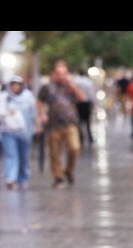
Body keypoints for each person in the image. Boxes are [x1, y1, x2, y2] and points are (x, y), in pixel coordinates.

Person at [38, 60, 87, 189]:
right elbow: (39, 100)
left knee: (74, 148)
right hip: (54, 124)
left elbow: (83, 99)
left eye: (64, 73)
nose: (61, 76)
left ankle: (69, 170)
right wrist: (42, 114)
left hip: (70, 123)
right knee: (54, 153)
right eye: (59, 73)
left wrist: (73, 86)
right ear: (54, 74)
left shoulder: (71, 87)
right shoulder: (47, 87)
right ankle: (58, 177)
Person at [0, 76, 37, 189]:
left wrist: (36, 127)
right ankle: (10, 177)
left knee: (23, 156)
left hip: (24, 132)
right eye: (13, 85)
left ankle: (22, 177)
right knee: (10, 155)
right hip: (8, 131)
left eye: (17, 85)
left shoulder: (28, 96)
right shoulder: (5, 97)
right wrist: (7, 114)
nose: (15, 87)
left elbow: (33, 113)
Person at [74, 69, 96, 145]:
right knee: (88, 121)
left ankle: (81, 136)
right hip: (86, 103)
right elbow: (91, 94)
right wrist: (93, 103)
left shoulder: (75, 81)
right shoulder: (88, 82)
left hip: (78, 103)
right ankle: (89, 136)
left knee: (79, 121)